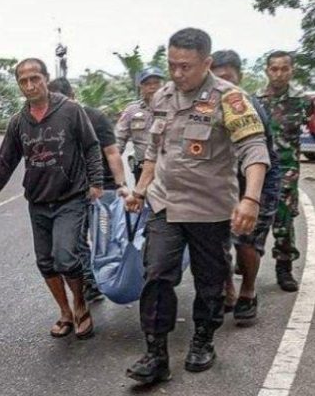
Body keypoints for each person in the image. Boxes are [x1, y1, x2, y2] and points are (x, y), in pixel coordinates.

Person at [123, 28, 270, 383]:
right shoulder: (161, 97)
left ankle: (203, 339)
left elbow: (254, 149)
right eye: (172, 65)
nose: (177, 74)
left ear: (207, 63)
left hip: (210, 209)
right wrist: (141, 190)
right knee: (156, 274)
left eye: (185, 67)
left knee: (210, 281)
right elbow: (154, 153)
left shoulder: (230, 98)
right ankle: (155, 353)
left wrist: (250, 198)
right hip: (164, 205)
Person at [0, 58, 104, 339]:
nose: (30, 85)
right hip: (39, 202)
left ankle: (80, 306)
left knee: (66, 257)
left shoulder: (70, 110)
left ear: (45, 78)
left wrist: (96, 182)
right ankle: (65, 312)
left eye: (35, 78)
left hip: (71, 198)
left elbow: (92, 146)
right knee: (45, 262)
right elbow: (4, 163)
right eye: (24, 81)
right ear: (19, 85)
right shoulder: (19, 122)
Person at [210, 50, 281, 323]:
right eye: (216, 77)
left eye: (227, 77)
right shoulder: (206, 105)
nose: (222, 83)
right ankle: (228, 289)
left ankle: (248, 292)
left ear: (238, 77)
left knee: (245, 241)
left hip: (258, 180)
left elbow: (256, 155)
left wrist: (251, 199)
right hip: (223, 183)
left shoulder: (247, 105)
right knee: (217, 242)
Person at [48, 77, 128, 302]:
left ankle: (114, 279)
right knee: (76, 241)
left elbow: (112, 152)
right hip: (73, 193)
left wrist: (121, 185)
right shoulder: (52, 122)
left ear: (72, 96)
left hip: (103, 189)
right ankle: (91, 282)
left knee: (105, 239)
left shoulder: (95, 117)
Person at [256, 51, 315, 292]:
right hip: (257, 168)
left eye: (284, 69)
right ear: (267, 71)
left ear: (291, 71)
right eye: (274, 69)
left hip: (286, 171)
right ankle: (246, 262)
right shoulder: (255, 100)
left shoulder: (302, 101)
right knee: (253, 219)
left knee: (283, 220)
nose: (279, 73)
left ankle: (284, 268)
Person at [116, 67, 165, 182]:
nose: (153, 87)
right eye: (148, 84)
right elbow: (119, 139)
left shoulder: (174, 107)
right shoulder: (131, 110)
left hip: (167, 167)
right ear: (141, 87)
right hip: (142, 167)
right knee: (140, 198)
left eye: (156, 83)